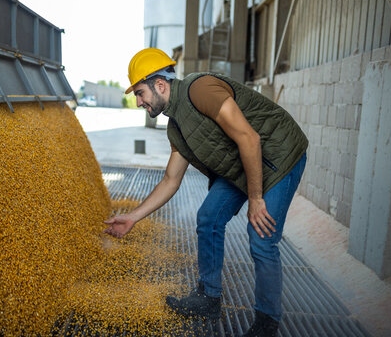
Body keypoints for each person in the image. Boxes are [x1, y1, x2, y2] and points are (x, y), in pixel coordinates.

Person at [103, 48, 308, 337]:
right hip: (242, 162)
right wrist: (133, 217)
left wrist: (255, 198)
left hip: (279, 155)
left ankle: (267, 321)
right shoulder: (176, 128)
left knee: (261, 236)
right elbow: (170, 181)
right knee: (209, 218)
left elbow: (249, 138)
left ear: (159, 85)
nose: (138, 102)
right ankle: (208, 298)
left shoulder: (201, 89)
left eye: (140, 93)